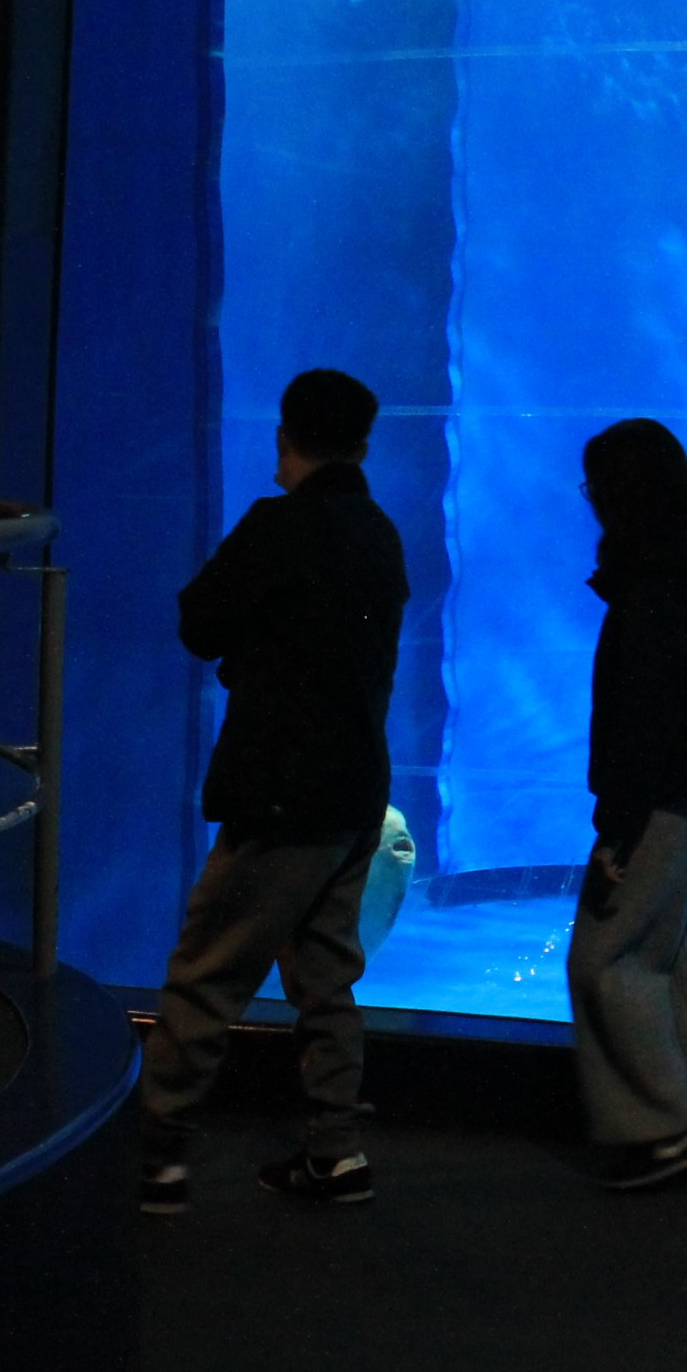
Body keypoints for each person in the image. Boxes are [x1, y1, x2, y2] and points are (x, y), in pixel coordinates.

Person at [137, 368, 408, 1213]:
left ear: (285, 433)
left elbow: (200, 622)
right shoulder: (380, 533)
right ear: (364, 442)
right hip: (356, 793)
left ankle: (159, 1158)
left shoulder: (277, 526)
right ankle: (337, 1151)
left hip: (280, 795)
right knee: (327, 978)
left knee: (206, 974)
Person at [569, 417, 687, 1188]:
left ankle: (667, 1125)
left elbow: (642, 721)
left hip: (659, 800)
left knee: (605, 961)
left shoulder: (652, 590)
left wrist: (616, 826)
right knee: (677, 962)